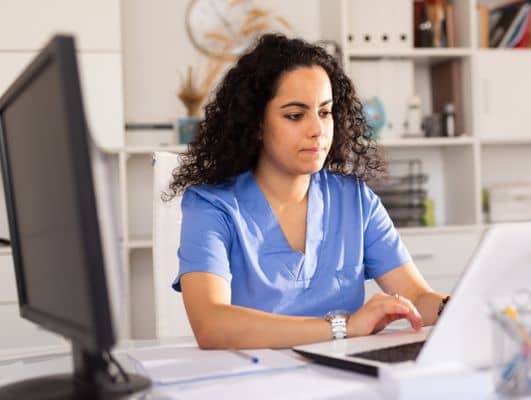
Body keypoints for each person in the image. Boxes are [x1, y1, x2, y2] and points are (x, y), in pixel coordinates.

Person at [167, 33, 448, 349]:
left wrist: (451, 306)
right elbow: (212, 325)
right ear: (255, 124)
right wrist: (345, 327)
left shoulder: (356, 200)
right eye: (295, 115)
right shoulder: (212, 206)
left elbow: (418, 297)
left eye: (325, 112)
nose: (317, 129)